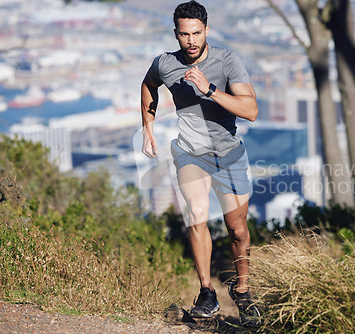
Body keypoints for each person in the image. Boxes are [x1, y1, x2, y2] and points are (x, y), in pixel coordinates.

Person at [140, 0, 261, 327]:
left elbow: (250, 110)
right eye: (184, 34)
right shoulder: (165, 64)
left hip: (229, 153)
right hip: (191, 152)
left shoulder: (226, 61)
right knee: (196, 212)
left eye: (196, 33)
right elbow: (148, 85)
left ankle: (243, 289)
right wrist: (147, 128)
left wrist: (209, 89)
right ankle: (207, 291)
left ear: (206, 30)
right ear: (176, 34)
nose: (191, 40)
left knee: (237, 229)